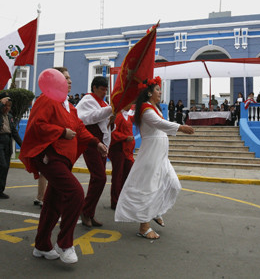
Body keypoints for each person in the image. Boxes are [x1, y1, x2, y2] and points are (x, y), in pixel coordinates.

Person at [19, 67, 107, 264]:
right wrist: (61, 132)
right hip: (51, 157)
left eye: (69, 78)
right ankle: (64, 243)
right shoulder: (46, 100)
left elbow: (80, 130)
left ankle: (41, 246)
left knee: (52, 205)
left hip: (65, 160)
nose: (69, 81)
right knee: (76, 194)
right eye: (64, 78)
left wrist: (96, 143)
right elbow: (37, 125)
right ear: (54, 82)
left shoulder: (70, 107)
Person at [115, 76, 194, 240]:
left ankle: (156, 211)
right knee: (149, 187)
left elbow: (161, 124)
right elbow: (159, 124)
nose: (160, 92)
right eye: (157, 89)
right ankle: (144, 226)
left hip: (161, 154)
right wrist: (180, 127)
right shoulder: (146, 109)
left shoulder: (153, 107)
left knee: (172, 184)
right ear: (149, 92)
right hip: (151, 153)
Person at [76, 76, 113, 227]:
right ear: (94, 88)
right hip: (90, 143)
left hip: (101, 143)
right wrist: (111, 109)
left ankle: (89, 213)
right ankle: (85, 211)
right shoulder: (87, 100)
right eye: (102, 89)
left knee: (97, 178)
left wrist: (113, 117)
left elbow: (105, 124)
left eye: (106, 89)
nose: (104, 92)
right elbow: (90, 118)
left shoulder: (103, 102)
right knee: (100, 178)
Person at [109, 103, 135, 210]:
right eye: (129, 102)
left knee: (127, 175)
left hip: (127, 151)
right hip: (118, 149)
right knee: (117, 176)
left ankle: (123, 199)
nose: (131, 104)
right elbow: (113, 133)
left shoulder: (128, 116)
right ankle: (115, 202)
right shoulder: (118, 116)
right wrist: (125, 137)